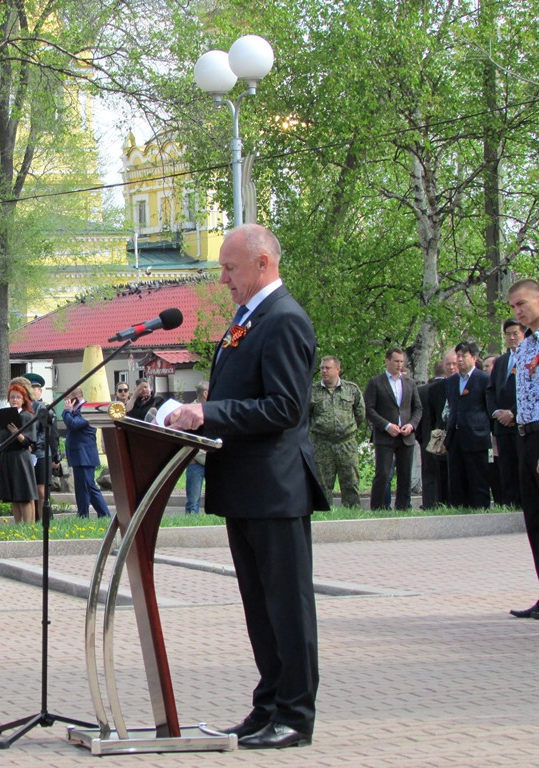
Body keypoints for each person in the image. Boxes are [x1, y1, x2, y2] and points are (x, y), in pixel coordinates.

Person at [166, 224, 326, 749]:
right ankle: (268, 705)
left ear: (262, 263)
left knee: (287, 605)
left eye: (230, 268)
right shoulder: (248, 318)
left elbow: (284, 407)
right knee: (260, 608)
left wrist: (208, 412)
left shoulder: (284, 319)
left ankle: (296, 715)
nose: (224, 278)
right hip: (246, 486)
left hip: (276, 489)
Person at [507, 280, 539, 618]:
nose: (517, 311)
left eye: (522, 303)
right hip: (526, 436)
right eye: (513, 307)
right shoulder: (525, 347)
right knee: (534, 519)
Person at [364, 348, 422, 510]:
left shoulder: (409, 383)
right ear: (387, 361)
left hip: (406, 435)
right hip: (385, 436)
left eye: (401, 361)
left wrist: (411, 425)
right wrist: (387, 425)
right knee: (383, 473)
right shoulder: (375, 382)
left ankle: (403, 506)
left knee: (405, 474)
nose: (399, 365)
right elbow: (368, 409)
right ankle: (379, 507)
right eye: (396, 361)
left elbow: (417, 408)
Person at [309, 356, 365, 509]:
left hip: (346, 444)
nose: (324, 371)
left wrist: (345, 429)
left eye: (328, 368)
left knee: (351, 482)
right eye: (322, 368)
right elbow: (305, 417)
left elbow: (360, 414)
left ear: (337, 370)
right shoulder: (312, 390)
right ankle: (324, 515)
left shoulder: (351, 389)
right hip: (321, 444)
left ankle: (353, 513)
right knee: (322, 484)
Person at [443, 342, 491, 509]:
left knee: (478, 478)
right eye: (459, 356)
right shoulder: (451, 381)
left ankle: (480, 509)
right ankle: (458, 509)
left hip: (476, 436)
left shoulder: (483, 378)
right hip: (455, 436)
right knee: (456, 478)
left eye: (464, 356)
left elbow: (488, 407)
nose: (460, 360)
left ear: (474, 358)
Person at [486, 319, 525, 507]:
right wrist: (496, 412)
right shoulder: (501, 361)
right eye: (508, 334)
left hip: (521, 422)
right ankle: (509, 503)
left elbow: (530, 390)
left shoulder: (529, 358)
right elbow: (490, 389)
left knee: (523, 465)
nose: (511, 338)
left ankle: (525, 503)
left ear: (523, 334)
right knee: (506, 466)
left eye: (515, 333)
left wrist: (513, 413)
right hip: (501, 425)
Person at [62, 387, 111, 519]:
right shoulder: (76, 410)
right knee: (85, 486)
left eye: (67, 400)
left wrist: (67, 412)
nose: (65, 403)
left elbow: (72, 424)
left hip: (85, 455)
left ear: (75, 399)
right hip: (79, 455)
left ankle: (86, 514)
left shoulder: (86, 410)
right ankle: (100, 514)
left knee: (87, 486)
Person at [0, 383, 38, 524]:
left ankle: (28, 526)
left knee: (24, 495)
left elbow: (29, 442)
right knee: (13, 496)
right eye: (12, 397)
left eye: (18, 397)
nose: (15, 399)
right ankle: (18, 526)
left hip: (21, 457)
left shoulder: (27, 416)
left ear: (23, 400)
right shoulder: (5, 415)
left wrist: (17, 434)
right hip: (8, 457)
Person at [418, 355, 454, 509]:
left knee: (428, 474)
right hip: (444, 437)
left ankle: (429, 503)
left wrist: (420, 437)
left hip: (427, 438)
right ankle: (446, 502)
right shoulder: (446, 389)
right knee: (446, 472)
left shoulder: (420, 391)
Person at [25, 373, 59, 521]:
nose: (33, 391)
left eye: (36, 388)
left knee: (43, 492)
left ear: (40, 391)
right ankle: (36, 519)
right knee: (31, 491)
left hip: (43, 452)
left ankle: (46, 519)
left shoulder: (46, 409)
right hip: (28, 453)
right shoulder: (24, 408)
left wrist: (56, 455)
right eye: (30, 388)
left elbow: (52, 434)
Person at [184, 383, 209, 514]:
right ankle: (191, 523)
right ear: (205, 394)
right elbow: (185, 438)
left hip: (212, 460)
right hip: (195, 462)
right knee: (193, 502)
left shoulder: (212, 410)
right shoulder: (189, 411)